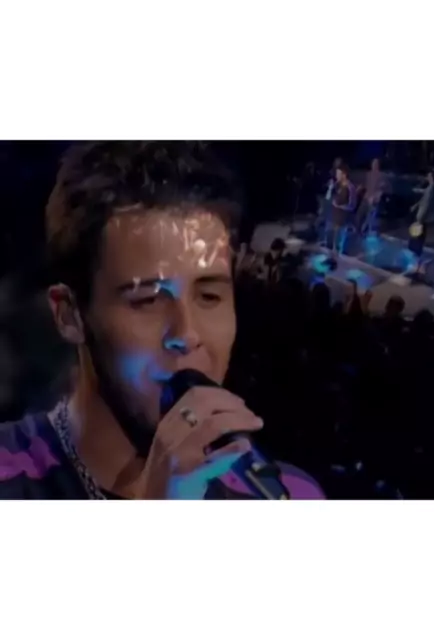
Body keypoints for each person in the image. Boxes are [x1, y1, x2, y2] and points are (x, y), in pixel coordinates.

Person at [0, 142, 324, 500]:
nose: (187, 334)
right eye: (148, 300)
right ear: (69, 315)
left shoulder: (287, 495)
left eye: (209, 296)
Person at [407, 171, 434, 273]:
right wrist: (415, 206)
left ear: (431, 177)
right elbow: (423, 199)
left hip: (422, 217)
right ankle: (416, 260)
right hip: (422, 216)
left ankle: (416, 261)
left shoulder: (431, 189)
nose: (427, 178)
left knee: (416, 238)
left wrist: (419, 218)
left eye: (428, 176)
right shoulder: (430, 188)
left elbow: (427, 204)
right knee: (419, 237)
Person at [355, 158, 386, 234]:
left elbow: (382, 189)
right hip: (365, 198)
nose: (374, 165)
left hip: (373, 202)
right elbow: (364, 184)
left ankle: (366, 232)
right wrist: (359, 188)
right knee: (359, 215)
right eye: (373, 163)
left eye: (376, 164)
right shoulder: (368, 174)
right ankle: (358, 231)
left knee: (369, 218)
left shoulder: (381, 176)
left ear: (378, 165)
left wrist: (375, 197)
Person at [331, 164, 356, 253]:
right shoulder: (338, 185)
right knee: (334, 244)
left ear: (344, 175)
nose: (336, 176)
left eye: (338, 174)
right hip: (336, 219)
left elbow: (352, 205)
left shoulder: (350, 187)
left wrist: (339, 206)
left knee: (340, 245)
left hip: (344, 220)